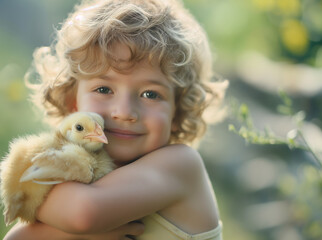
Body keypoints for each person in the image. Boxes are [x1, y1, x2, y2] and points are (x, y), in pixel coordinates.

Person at [4, 0, 227, 239]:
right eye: (103, 89)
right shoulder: (80, 183)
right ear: (74, 103)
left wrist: (19, 184)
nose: (124, 112)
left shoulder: (181, 165)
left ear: (176, 112)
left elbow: (83, 213)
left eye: (150, 94)